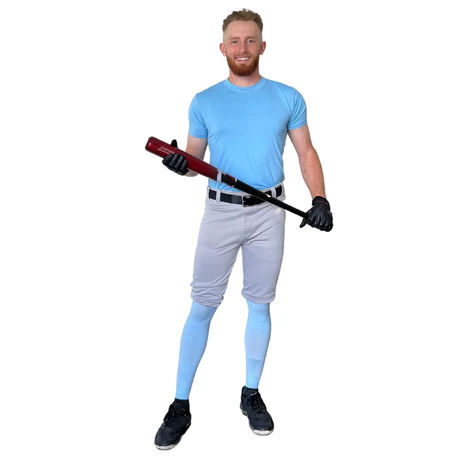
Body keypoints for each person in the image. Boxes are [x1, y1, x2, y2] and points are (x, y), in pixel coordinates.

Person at [154, 8, 333, 450]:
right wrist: (180, 164)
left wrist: (319, 198)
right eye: (234, 41)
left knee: (260, 303)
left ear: (263, 46)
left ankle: (251, 393)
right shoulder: (204, 101)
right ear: (222, 48)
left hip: (270, 213)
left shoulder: (287, 97)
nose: (242, 48)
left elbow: (306, 152)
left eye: (250, 40)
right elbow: (195, 161)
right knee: (202, 305)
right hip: (220, 212)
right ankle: (180, 404)